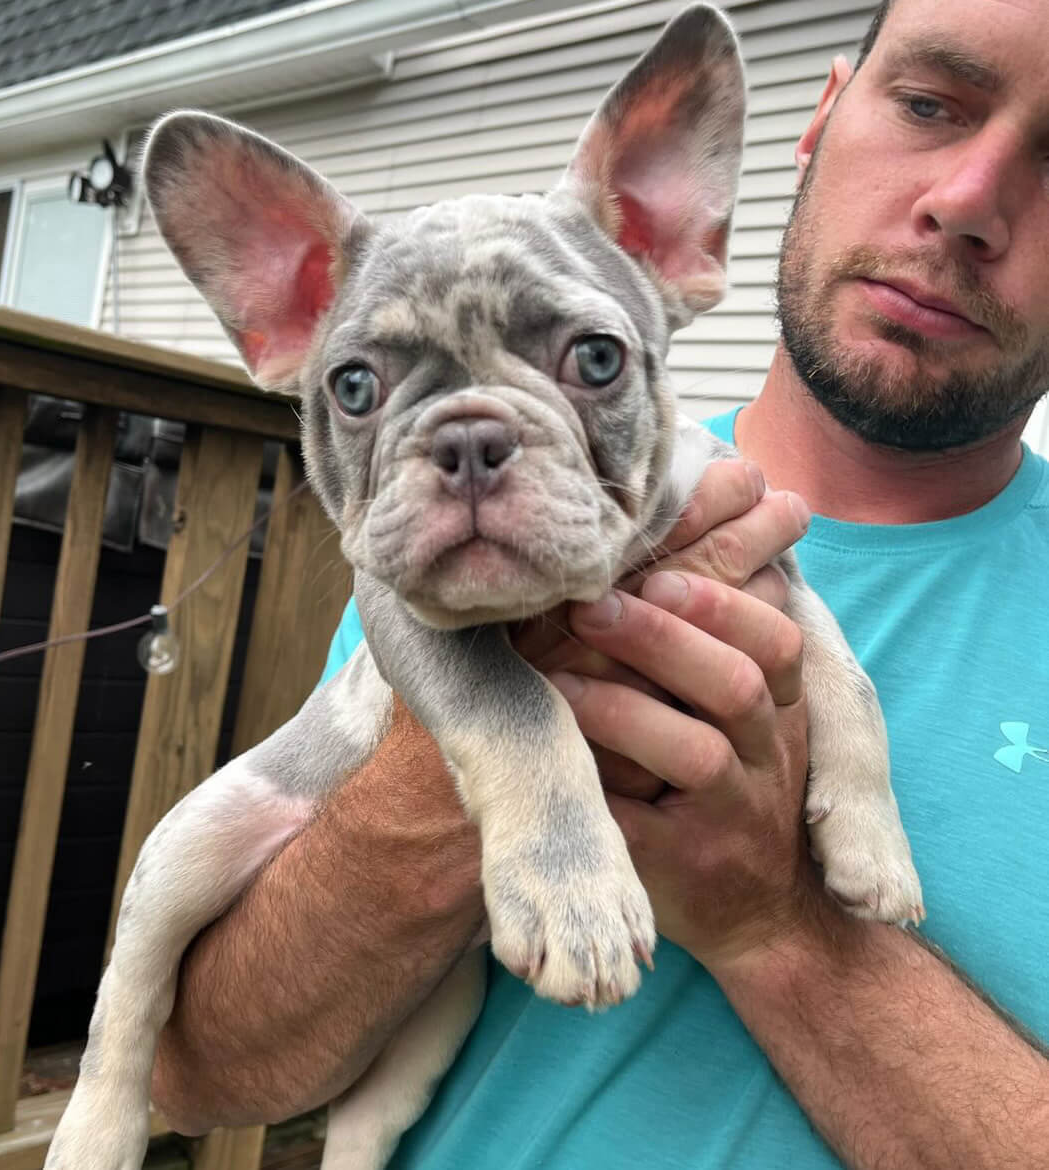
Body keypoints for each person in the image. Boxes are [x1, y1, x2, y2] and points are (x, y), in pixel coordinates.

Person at [150, 0, 1049, 1165]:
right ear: (821, 121)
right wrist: (467, 753)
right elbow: (203, 1073)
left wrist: (775, 927)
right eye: (930, 105)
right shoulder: (456, 545)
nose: (971, 200)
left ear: (667, 225)